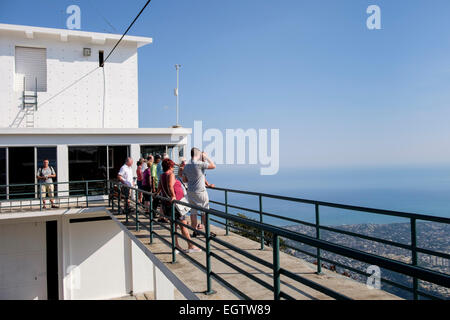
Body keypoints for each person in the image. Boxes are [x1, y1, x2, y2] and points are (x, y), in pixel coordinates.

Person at [157, 158, 200, 253]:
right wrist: (173, 196)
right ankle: (191, 246)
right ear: (170, 166)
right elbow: (169, 186)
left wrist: (156, 193)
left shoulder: (162, 175)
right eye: (172, 166)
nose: (173, 168)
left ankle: (176, 246)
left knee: (174, 225)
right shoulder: (170, 174)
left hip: (167, 203)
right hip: (175, 205)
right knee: (183, 225)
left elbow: (160, 187)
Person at [183, 148, 216, 237]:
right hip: (200, 192)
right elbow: (213, 166)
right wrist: (207, 157)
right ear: (198, 155)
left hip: (190, 191)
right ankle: (207, 232)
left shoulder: (186, 166)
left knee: (193, 212)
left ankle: (195, 231)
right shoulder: (199, 164)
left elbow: (184, 180)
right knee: (204, 212)